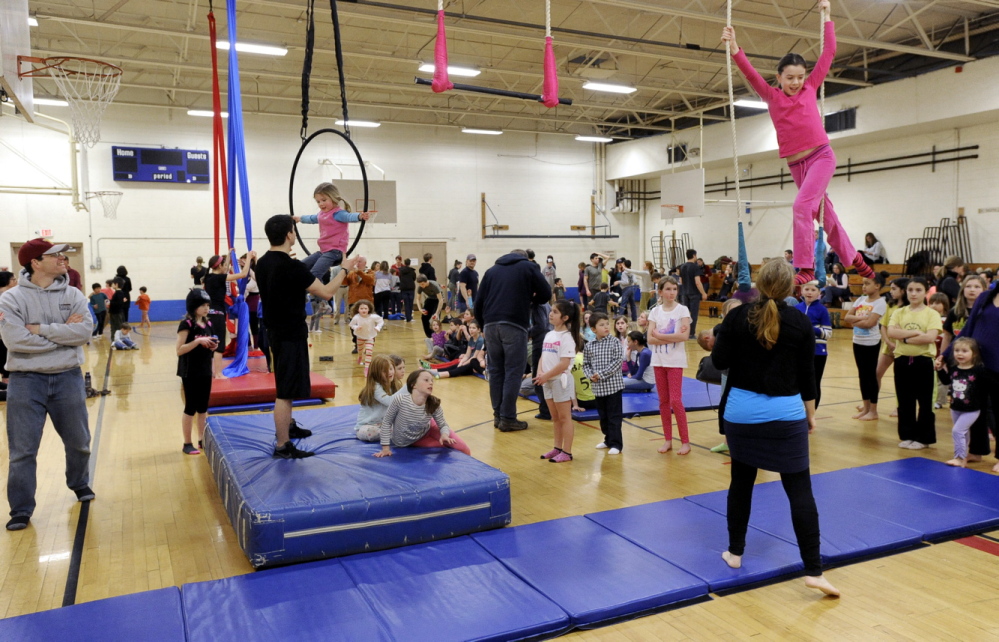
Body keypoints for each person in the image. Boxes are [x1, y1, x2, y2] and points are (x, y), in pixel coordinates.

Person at [722, 2, 876, 287]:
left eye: (799, 77)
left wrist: (827, 16)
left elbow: (829, 52)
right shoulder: (771, 96)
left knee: (801, 207)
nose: (795, 82)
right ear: (778, 77)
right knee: (825, 215)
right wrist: (734, 46)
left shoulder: (810, 86)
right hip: (797, 165)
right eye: (789, 77)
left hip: (821, 157)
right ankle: (852, 256)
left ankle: (805, 265)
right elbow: (749, 73)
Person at [710, 258, 839, 597]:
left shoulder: (738, 315)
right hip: (785, 413)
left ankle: (735, 553)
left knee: (742, 481)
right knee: (799, 490)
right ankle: (813, 570)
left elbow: (719, 361)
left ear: (759, 283)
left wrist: (725, 340)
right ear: (792, 287)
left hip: (742, 413)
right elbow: (808, 378)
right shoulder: (798, 320)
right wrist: (810, 415)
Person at [1, 238, 95, 531]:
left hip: (68, 377)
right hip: (26, 381)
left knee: (79, 443)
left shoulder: (74, 295)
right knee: (23, 451)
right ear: (35, 263)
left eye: (63, 254)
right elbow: (16, 340)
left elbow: (83, 331)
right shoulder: (10, 300)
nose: (62, 258)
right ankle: (21, 509)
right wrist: (63, 335)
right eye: (54, 255)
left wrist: (41, 330)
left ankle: (79, 482)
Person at [254, 214, 360, 459]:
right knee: (285, 391)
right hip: (289, 333)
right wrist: (344, 269)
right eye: (294, 230)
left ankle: (288, 426)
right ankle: (282, 445)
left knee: (286, 383)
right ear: (290, 234)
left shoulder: (264, 262)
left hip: (275, 331)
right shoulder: (290, 266)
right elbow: (325, 292)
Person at [475, 249, 552, 432]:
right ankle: (508, 418)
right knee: (512, 372)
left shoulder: (491, 270)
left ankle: (498, 416)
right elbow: (546, 293)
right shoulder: (528, 266)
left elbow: (478, 302)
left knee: (495, 371)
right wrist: (531, 298)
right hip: (514, 324)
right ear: (524, 258)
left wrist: (483, 325)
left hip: (490, 325)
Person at [938, 276, 999, 473]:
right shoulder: (985, 297)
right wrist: (945, 355)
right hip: (977, 366)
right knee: (975, 410)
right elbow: (968, 328)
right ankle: (976, 450)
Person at [887, 277, 941, 450]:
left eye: (918, 290)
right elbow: (891, 332)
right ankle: (908, 434)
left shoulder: (931, 314)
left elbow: (930, 337)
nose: (913, 293)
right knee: (904, 400)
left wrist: (905, 338)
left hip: (924, 362)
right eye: (910, 290)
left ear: (925, 292)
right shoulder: (899, 312)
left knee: (925, 401)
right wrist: (914, 334)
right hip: (902, 361)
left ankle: (924, 438)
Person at [374, 370, 471, 457]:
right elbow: (386, 422)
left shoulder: (433, 403)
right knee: (448, 450)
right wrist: (385, 449)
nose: (431, 383)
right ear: (413, 385)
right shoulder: (400, 400)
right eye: (426, 380)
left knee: (463, 448)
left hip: (430, 427)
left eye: (432, 381)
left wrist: (444, 434)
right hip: (416, 440)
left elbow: (442, 424)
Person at [648, 276, 692, 455]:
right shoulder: (655, 312)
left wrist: (659, 335)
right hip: (658, 361)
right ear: (660, 292)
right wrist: (662, 336)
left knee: (676, 400)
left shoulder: (683, 310)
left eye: (674, 289)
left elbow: (684, 337)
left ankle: (685, 441)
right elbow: (649, 338)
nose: (672, 292)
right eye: (668, 289)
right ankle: (668, 439)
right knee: (664, 402)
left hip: (675, 362)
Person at [293, 182, 370, 281]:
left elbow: (349, 216)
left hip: (335, 251)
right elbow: (312, 218)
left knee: (314, 274)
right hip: (323, 251)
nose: (321, 204)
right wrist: (300, 218)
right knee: (301, 266)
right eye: (318, 202)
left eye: (324, 200)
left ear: (333, 198)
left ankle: (316, 294)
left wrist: (360, 216)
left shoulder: (338, 214)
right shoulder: (321, 214)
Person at [535, 301, 582, 462]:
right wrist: (540, 371)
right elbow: (544, 356)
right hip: (547, 380)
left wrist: (546, 375)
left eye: (555, 312)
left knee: (564, 418)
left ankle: (567, 452)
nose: (551, 314)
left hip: (560, 381)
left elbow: (563, 363)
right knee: (554, 418)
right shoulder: (549, 334)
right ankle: (557, 448)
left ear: (565, 317)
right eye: (551, 311)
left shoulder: (567, 337)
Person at [176, 289, 217, 455]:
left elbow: (209, 346)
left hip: (204, 369)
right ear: (193, 306)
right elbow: (179, 350)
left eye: (208, 305)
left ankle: (202, 439)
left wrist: (212, 345)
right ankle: (187, 442)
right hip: (190, 371)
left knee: (203, 408)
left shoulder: (208, 323)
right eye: (202, 305)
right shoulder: (186, 324)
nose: (206, 308)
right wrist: (198, 341)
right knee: (190, 407)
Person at [203, 252, 254, 379]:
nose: (226, 267)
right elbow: (243, 274)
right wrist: (248, 259)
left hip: (207, 316)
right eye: (224, 265)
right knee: (218, 345)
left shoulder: (207, 277)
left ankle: (208, 372)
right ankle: (219, 374)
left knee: (209, 344)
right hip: (217, 315)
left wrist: (230, 254)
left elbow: (223, 267)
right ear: (219, 266)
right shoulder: (220, 278)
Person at [844, 274, 887, 421]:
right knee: (862, 375)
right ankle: (866, 408)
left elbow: (871, 324)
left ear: (877, 286)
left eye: (867, 283)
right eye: (863, 284)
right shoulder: (860, 299)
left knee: (870, 376)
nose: (864, 286)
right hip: (857, 341)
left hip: (871, 342)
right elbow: (846, 318)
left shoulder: (881, 303)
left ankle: (873, 410)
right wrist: (862, 318)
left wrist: (856, 320)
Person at [940, 338, 987, 468]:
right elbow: (945, 381)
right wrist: (939, 370)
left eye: (964, 351)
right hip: (955, 408)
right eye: (957, 350)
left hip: (971, 410)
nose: (960, 354)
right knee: (963, 433)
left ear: (974, 354)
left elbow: (987, 387)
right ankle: (963, 455)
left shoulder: (979, 371)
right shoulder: (954, 369)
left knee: (957, 431)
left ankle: (960, 458)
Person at [796, 281, 832, 408]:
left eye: (813, 290)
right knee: (798, 383)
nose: (809, 292)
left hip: (818, 352)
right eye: (807, 289)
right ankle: (799, 413)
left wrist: (810, 328)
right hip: (798, 353)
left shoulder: (822, 310)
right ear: (801, 290)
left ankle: (811, 413)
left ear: (819, 293)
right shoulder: (797, 308)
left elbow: (828, 333)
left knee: (814, 383)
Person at [355, 355, 401, 442]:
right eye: (384, 371)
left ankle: (391, 433)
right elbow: (390, 402)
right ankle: (392, 434)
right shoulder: (375, 387)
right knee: (371, 432)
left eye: (391, 369)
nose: (389, 373)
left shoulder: (394, 386)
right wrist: (407, 389)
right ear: (376, 373)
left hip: (385, 425)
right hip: (367, 426)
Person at [345, 257, 375, 354]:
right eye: (356, 262)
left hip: (367, 302)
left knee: (368, 325)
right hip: (353, 302)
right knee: (354, 325)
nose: (357, 263)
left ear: (365, 263)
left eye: (359, 261)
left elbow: (370, 280)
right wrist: (344, 270)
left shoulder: (370, 272)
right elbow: (344, 282)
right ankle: (357, 345)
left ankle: (369, 344)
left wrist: (359, 272)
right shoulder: (351, 273)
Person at [349, 300, 383, 378]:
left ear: (369, 309)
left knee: (369, 351)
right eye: (361, 308)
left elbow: (381, 321)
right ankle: (360, 356)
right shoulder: (356, 317)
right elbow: (351, 325)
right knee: (360, 350)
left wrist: (378, 327)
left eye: (365, 308)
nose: (363, 310)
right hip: (360, 336)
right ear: (358, 309)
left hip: (370, 337)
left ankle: (367, 368)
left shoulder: (373, 317)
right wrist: (356, 327)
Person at [678, 249, 706, 338]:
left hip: (684, 293)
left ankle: (683, 330)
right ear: (694, 255)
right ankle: (691, 333)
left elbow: (681, 281)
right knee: (693, 314)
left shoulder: (682, 267)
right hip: (694, 293)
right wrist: (703, 293)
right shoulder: (695, 267)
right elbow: (697, 282)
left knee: (684, 314)